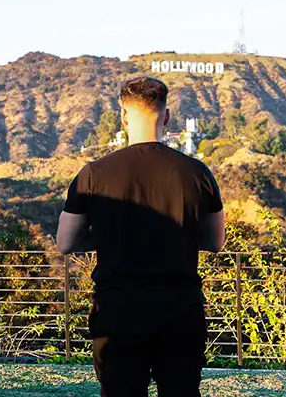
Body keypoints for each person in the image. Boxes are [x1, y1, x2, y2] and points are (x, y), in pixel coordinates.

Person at [56, 76, 225, 397]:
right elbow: (215, 242)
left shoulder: (93, 174)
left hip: (119, 311)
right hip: (180, 310)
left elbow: (65, 243)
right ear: (167, 116)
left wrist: (110, 235)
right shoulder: (198, 173)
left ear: (123, 115)